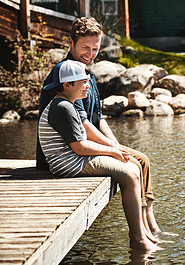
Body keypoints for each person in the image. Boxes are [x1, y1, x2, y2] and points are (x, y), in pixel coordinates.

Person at [36, 17, 160, 234]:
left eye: (95, 48)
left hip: (86, 144)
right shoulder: (66, 76)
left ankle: (149, 219)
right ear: (70, 43)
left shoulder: (86, 74)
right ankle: (143, 228)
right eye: (85, 47)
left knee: (142, 160)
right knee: (135, 161)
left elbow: (98, 118)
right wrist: (113, 150)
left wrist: (116, 145)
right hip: (68, 153)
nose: (91, 54)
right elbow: (82, 126)